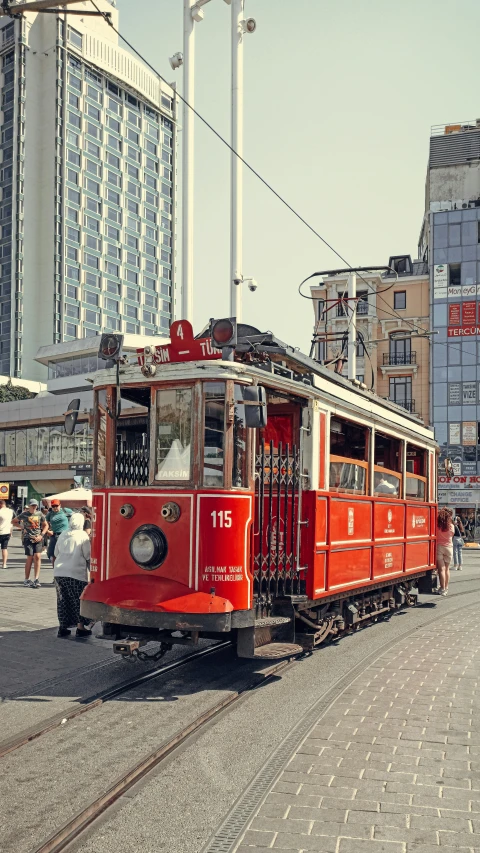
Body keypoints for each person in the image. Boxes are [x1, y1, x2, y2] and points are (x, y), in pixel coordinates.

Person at [54, 513, 93, 638]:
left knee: (62, 600)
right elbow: (88, 555)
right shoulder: (83, 535)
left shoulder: (63, 534)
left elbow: (56, 552)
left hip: (59, 572)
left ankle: (63, 628)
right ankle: (80, 627)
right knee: (78, 600)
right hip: (76, 572)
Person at [13, 498, 49, 588]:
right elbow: (13, 521)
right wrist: (22, 527)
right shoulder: (24, 514)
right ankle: (26, 579)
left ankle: (36, 579)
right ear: (29, 506)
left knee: (37, 556)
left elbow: (46, 525)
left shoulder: (40, 514)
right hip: (28, 538)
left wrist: (42, 535)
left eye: (35, 505)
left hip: (38, 538)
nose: (34, 507)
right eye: (32, 505)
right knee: (29, 557)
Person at [46, 500, 72, 566]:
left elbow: (75, 517)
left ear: (60, 505)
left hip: (64, 535)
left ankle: (64, 568)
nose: (55, 508)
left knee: (64, 553)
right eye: (53, 506)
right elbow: (44, 524)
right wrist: (47, 531)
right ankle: (55, 569)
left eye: (56, 506)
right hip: (54, 535)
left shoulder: (65, 510)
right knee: (51, 553)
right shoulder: (50, 514)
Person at [436, 507, 454, 596]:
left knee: (441, 569)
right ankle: (446, 588)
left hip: (439, 547)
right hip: (449, 548)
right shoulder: (451, 526)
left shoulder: (437, 526)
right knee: (447, 569)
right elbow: (452, 535)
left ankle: (442, 588)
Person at [0, 498, 14, 569]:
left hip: (0, 531)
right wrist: (11, 531)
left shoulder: (0, 511)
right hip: (7, 532)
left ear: (1, 504)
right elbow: (11, 521)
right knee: (4, 548)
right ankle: (4, 564)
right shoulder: (10, 511)